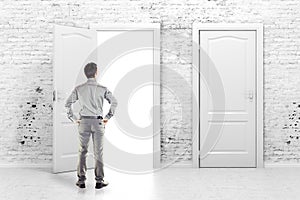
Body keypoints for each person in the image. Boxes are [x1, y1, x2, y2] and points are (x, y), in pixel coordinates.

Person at [65, 62, 118, 189]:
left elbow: (67, 104)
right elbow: (114, 102)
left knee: (82, 151)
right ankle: (99, 181)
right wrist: (107, 117)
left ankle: (81, 180)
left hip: (83, 122)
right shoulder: (102, 89)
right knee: (98, 152)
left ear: (85, 73)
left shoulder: (79, 89)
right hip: (98, 122)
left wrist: (73, 119)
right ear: (96, 72)